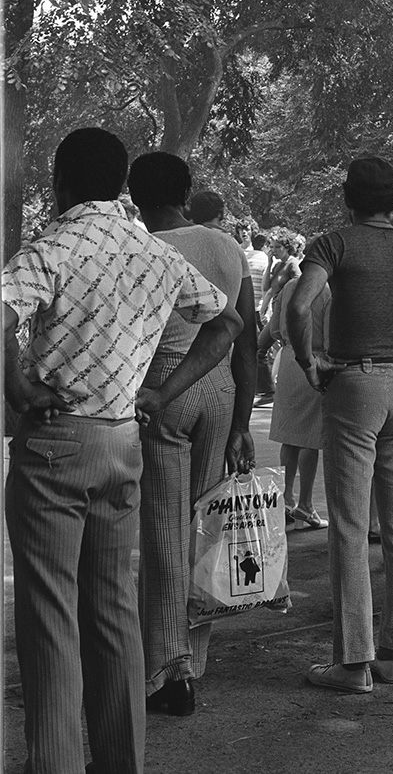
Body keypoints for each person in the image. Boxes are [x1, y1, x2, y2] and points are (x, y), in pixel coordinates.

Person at [3, 128, 239, 774]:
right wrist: (161, 395)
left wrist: (18, 385)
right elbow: (226, 325)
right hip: (123, 445)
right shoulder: (153, 253)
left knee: (50, 622)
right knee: (113, 617)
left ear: (62, 184)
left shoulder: (54, 246)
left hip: (55, 446)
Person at [288, 157, 393, 694]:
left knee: (351, 526)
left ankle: (352, 663)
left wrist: (310, 362)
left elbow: (301, 303)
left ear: (347, 198)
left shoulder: (334, 244)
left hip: (353, 383)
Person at [127, 152, 258, 716]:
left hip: (168, 387)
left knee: (164, 532)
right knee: (205, 530)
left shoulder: (144, 248)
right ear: (186, 192)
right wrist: (243, 422)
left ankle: (165, 670)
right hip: (221, 387)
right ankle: (192, 662)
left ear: (137, 196)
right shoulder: (227, 248)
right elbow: (247, 336)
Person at [259, 274, 331, 526]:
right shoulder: (328, 289)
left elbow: (275, 328)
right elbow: (332, 334)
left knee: (289, 436)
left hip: (288, 359)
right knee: (309, 438)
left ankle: (286, 499)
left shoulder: (290, 286)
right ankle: (306, 504)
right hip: (315, 360)